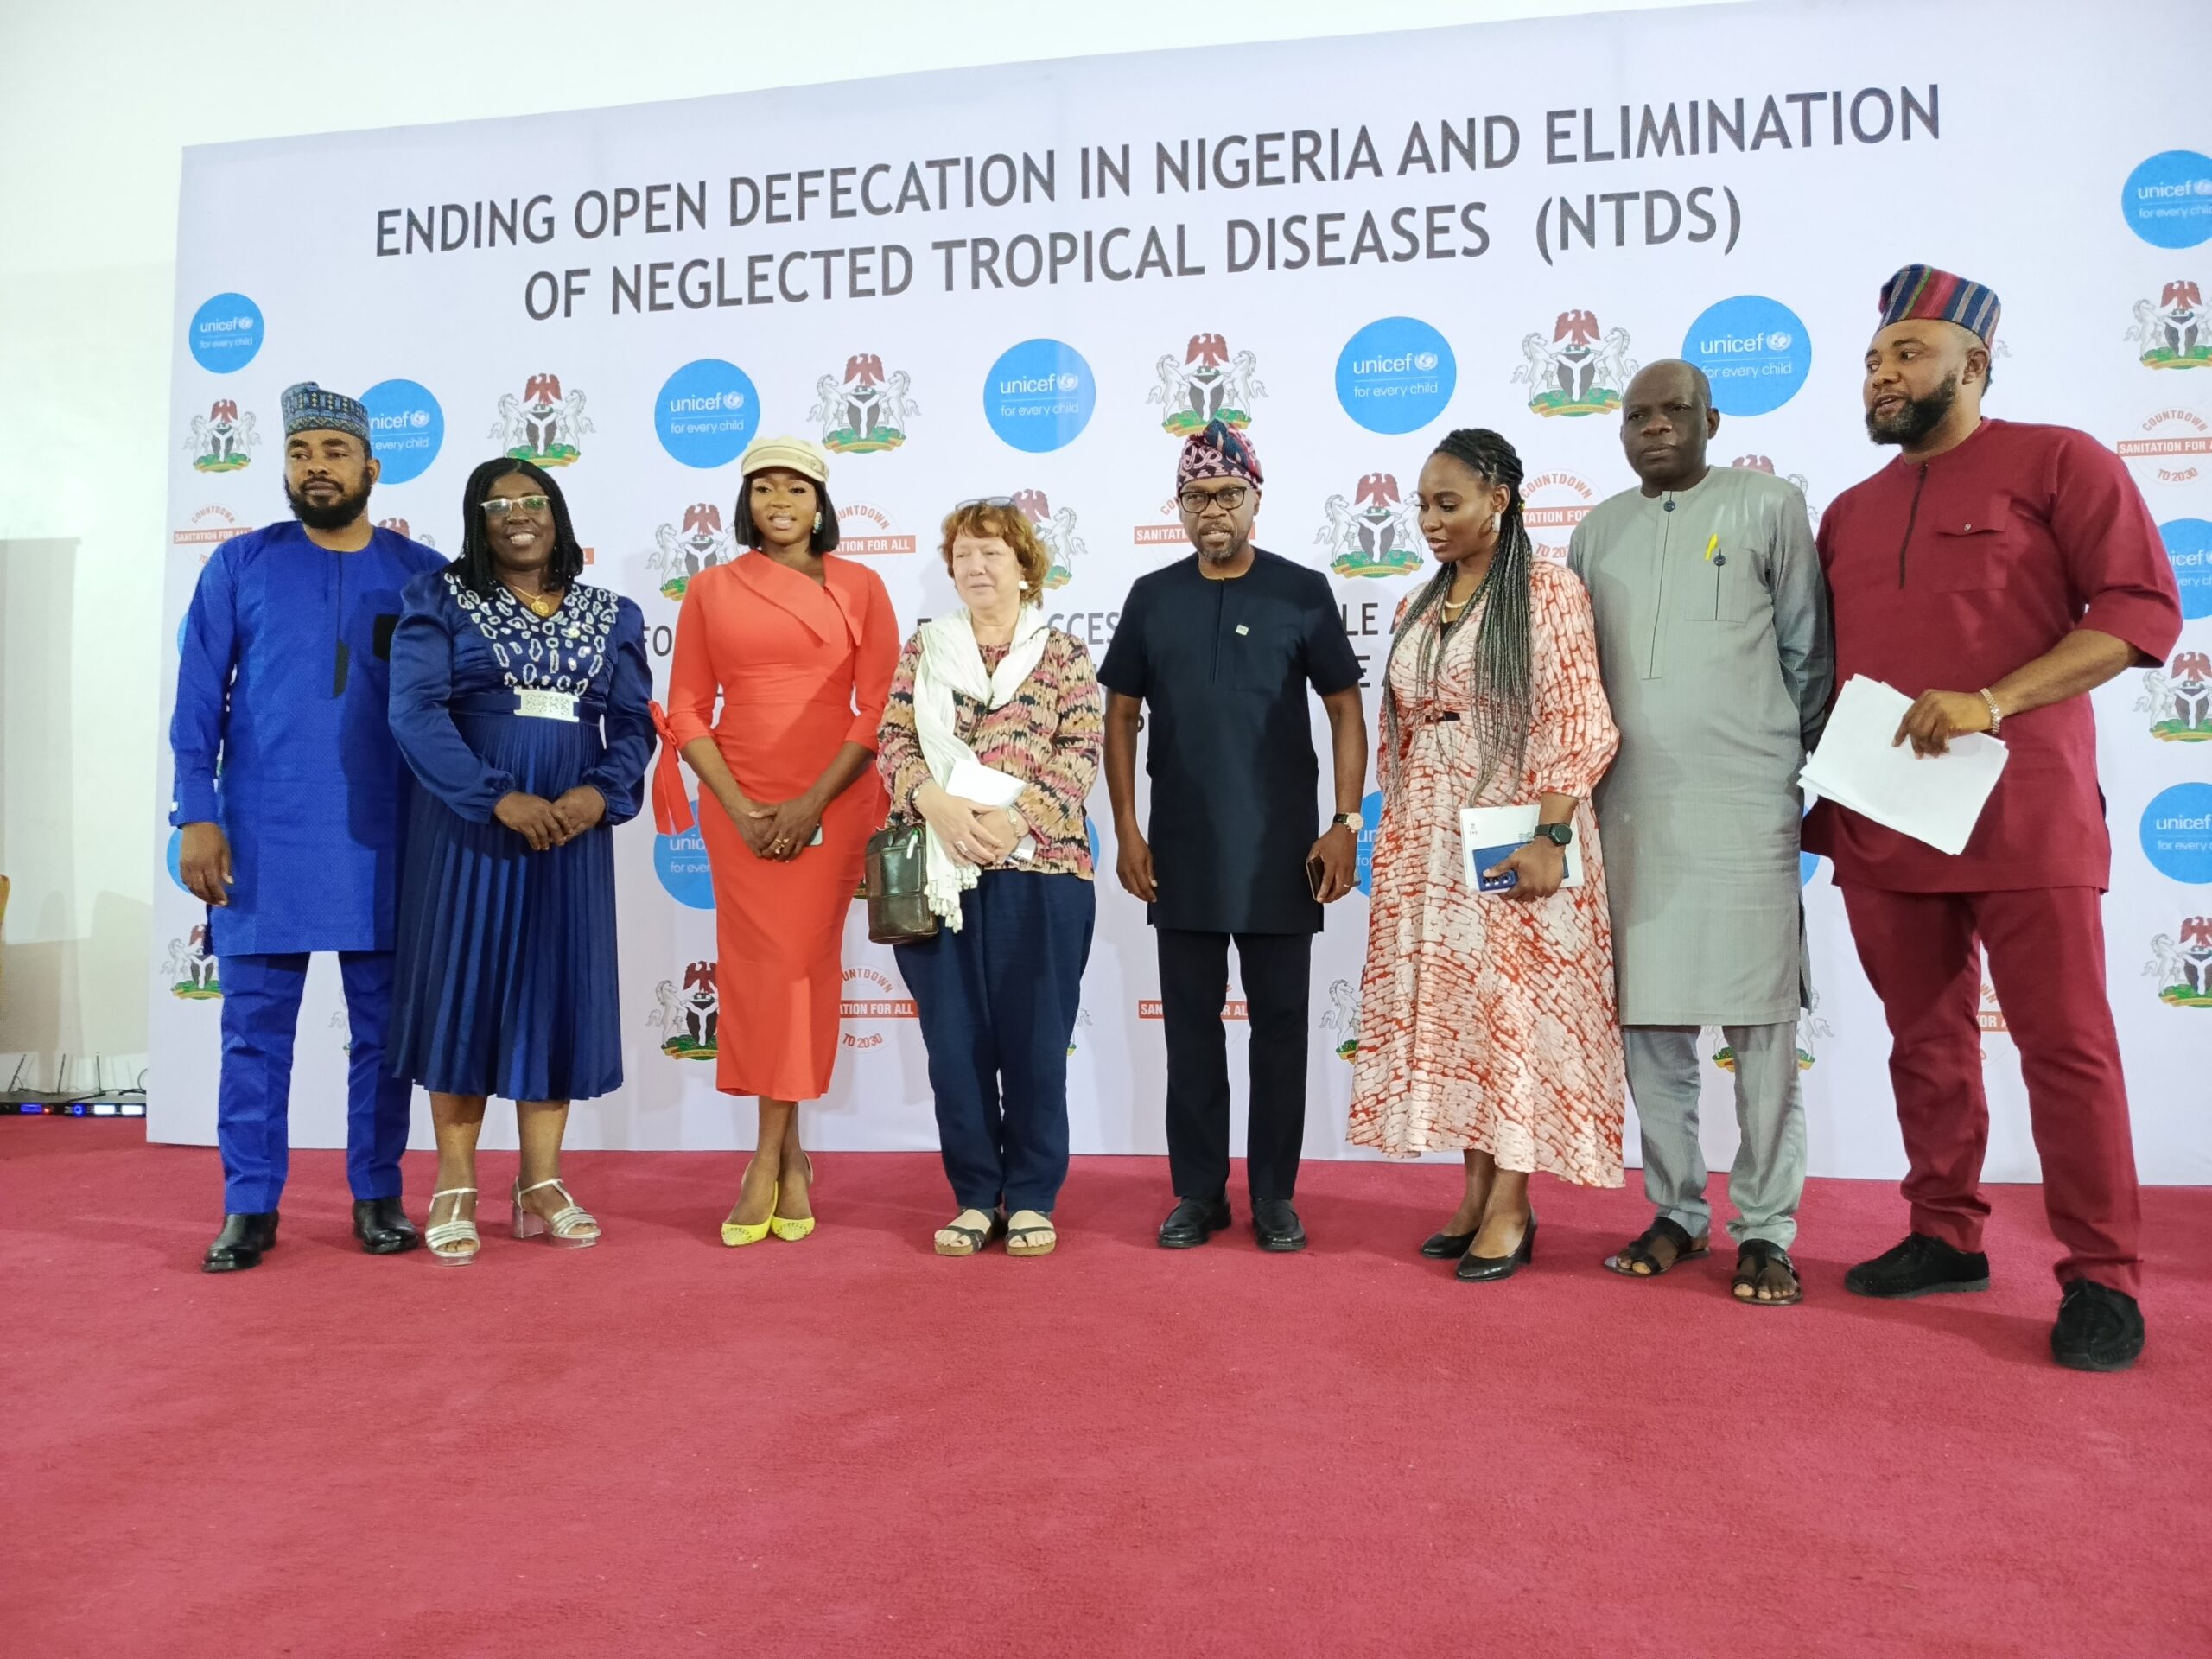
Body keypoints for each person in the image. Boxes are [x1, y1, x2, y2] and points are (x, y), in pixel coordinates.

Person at [1810, 264, 2183, 1370]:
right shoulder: (1846, 512)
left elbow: (2137, 613)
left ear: (1973, 364)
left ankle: (2103, 1278)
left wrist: (1992, 700)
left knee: (2065, 1047)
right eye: (1873, 359)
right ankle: (1944, 1234)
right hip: (1885, 815)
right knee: (1923, 1041)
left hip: (2026, 809)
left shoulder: (2061, 460)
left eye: (1908, 353)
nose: (1882, 374)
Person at [1567, 361, 1833, 1305]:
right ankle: (1678, 1211)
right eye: (1636, 415)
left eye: (1674, 410)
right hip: (1629, 810)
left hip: (1747, 802)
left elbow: (1808, 655)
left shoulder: (1769, 506)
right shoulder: (1597, 531)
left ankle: (1767, 1229)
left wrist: (1771, 760)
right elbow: (1578, 675)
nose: (1654, 427)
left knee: (1761, 1026)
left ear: (1712, 420)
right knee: (1650, 1026)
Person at [169, 382, 445, 1271]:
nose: (315, 467)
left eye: (334, 452)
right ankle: (249, 1204)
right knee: (254, 1032)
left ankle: (377, 1193)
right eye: (300, 453)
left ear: (372, 467)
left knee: (384, 1035)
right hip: (260, 833)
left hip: (389, 836)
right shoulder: (240, 564)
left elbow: (452, 708)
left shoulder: (423, 574)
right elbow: (197, 702)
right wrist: (197, 814)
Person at [1347, 427, 1624, 1281]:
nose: (1429, 521)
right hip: (1429, 834)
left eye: (1448, 503)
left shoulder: (1547, 590)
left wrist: (1550, 835)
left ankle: (1512, 1203)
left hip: (1514, 827)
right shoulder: (1420, 601)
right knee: (1461, 1015)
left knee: (1511, 1013)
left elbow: (1578, 717)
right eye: (1422, 506)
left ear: (1498, 499)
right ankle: (1472, 1193)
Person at [1099, 421, 1367, 1253]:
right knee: (1190, 1031)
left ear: (1256, 499)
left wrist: (1345, 823)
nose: (1212, 510)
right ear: (1179, 507)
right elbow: (1120, 716)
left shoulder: (1302, 591)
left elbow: (1345, 708)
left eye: (1228, 494)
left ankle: (1276, 1197)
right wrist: (1127, 830)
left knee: (1282, 1029)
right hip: (1180, 849)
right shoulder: (1152, 596)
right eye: (1196, 497)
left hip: (1284, 852)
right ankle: (1200, 1193)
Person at [384, 461, 655, 1264]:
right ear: (477, 520)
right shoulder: (437, 598)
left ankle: (541, 1182)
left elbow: (634, 723)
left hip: (572, 827)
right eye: (496, 505)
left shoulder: (614, 613)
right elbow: (415, 712)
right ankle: (454, 1182)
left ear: (557, 512)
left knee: (554, 992)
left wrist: (599, 794)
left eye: (532, 500)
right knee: (463, 992)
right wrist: (495, 796)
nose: (516, 514)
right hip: (471, 825)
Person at [654, 435, 898, 1246]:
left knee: (800, 968)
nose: (780, 502)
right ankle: (788, 1159)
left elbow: (879, 707)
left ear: (820, 503)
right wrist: (736, 805)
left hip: (833, 791)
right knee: (757, 973)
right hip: (739, 798)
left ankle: (766, 1159)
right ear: (746, 502)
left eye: (796, 488)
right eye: (765, 488)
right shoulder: (711, 589)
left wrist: (811, 804)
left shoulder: (862, 586)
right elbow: (686, 709)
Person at [876, 499, 1103, 1258]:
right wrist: (934, 804)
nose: (976, 567)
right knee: (956, 1048)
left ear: (1025, 566)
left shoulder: (1062, 653)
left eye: (992, 553)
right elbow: (893, 740)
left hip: (1043, 872)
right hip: (938, 874)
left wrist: (1017, 822)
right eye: (964, 555)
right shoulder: (926, 648)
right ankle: (976, 1197)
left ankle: (1032, 1196)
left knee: (1037, 1046)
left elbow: (1082, 750)